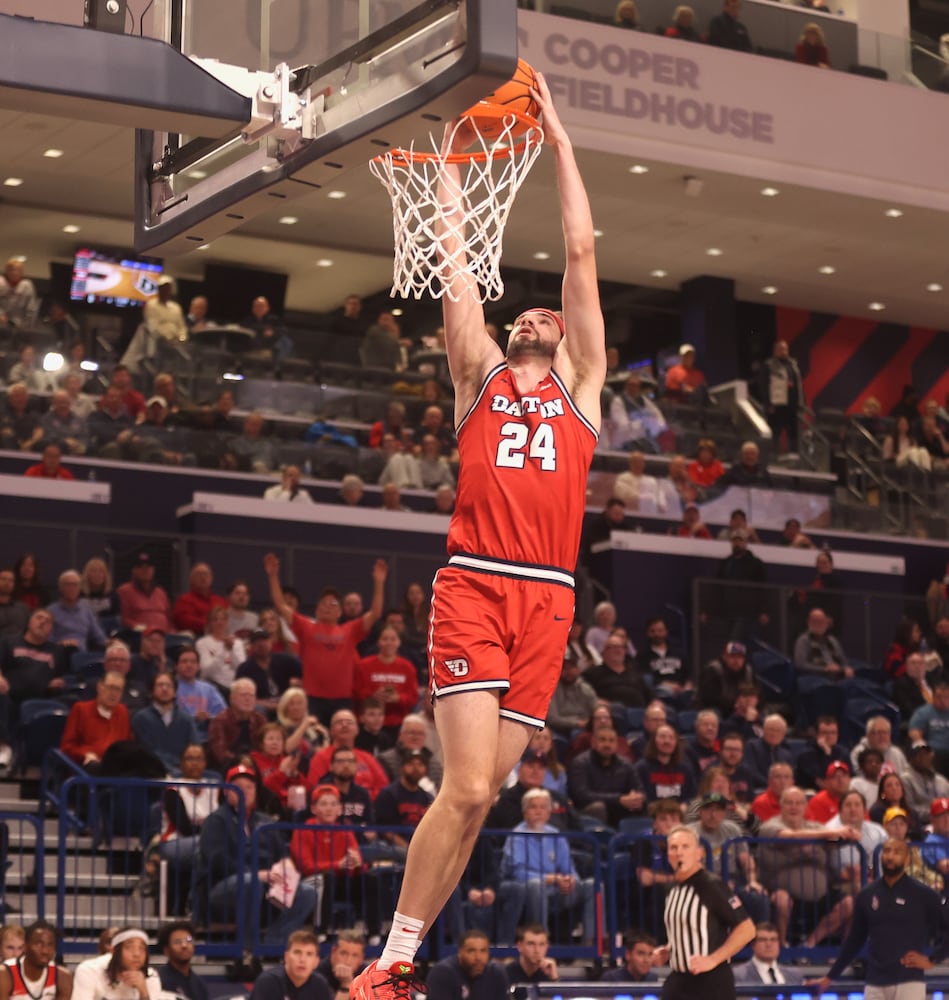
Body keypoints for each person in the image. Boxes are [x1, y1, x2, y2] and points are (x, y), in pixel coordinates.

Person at [350, 72, 606, 999]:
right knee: (460, 791)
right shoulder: (478, 378)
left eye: (550, 312)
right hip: (476, 581)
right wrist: (452, 175)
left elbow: (579, 249)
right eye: (524, 310)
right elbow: (456, 266)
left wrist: (560, 138)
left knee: (484, 799)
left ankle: (401, 962)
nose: (539, 310)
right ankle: (388, 960)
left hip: (549, 600)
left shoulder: (582, 390)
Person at [196, 765, 318, 950]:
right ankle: (247, 948)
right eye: (239, 786)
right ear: (227, 791)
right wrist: (257, 874)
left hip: (267, 883)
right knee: (249, 881)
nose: (245, 791)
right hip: (223, 885)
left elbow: (281, 853)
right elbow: (217, 861)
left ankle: (274, 943)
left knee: (308, 892)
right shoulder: (216, 820)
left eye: (249, 787)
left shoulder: (265, 820)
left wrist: (285, 865)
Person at [810, 839, 949, 999]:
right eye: (887, 851)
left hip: (909, 982)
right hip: (874, 983)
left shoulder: (923, 894)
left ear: (907, 860)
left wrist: (932, 960)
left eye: (897, 852)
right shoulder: (867, 895)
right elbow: (854, 941)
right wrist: (830, 977)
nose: (890, 856)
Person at [264, 556, 387, 725]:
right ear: (317, 609)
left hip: (342, 698)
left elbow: (376, 613)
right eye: (324, 603)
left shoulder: (350, 630)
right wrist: (272, 576)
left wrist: (379, 582)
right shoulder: (306, 627)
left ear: (340, 612)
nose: (328, 606)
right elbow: (280, 605)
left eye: (333, 603)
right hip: (313, 697)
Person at [651, 826, 756, 1000]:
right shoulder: (672, 889)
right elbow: (693, 930)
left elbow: (747, 929)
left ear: (699, 853)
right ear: (668, 854)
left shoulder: (711, 885)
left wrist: (713, 959)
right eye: (674, 848)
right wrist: (670, 950)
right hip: (679, 980)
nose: (679, 852)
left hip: (710, 983)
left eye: (685, 847)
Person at [71, 927, 162, 1000]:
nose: (137, 954)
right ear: (113, 951)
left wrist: (144, 992)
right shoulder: (89, 970)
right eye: (130, 948)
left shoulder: (150, 976)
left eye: (142, 949)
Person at [424, 930, 509, 1000]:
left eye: (483, 951)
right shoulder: (442, 973)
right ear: (460, 952)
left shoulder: (497, 973)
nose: (478, 957)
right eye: (471, 951)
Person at [0, 920, 72, 1000]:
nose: (45, 951)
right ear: (25, 946)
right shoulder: (4, 974)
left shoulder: (63, 977)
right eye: (39, 944)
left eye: (50, 945)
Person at [248, 931, 331, 1000]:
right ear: (286, 957)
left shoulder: (320, 985)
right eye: (297, 952)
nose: (302, 959)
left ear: (316, 962)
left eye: (309, 954)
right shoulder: (268, 982)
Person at [731, 922, 804, 985]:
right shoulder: (737, 975)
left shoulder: (795, 975)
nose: (769, 944)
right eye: (763, 940)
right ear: (753, 945)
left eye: (773, 940)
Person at [156, 921, 208, 1000]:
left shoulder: (200, 984)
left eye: (189, 940)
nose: (184, 945)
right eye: (177, 942)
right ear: (166, 950)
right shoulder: (158, 980)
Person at [318, 931, 366, 1000]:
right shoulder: (318, 973)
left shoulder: (367, 976)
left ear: (362, 958)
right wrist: (346, 984)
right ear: (333, 952)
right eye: (343, 953)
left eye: (355, 956)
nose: (348, 961)